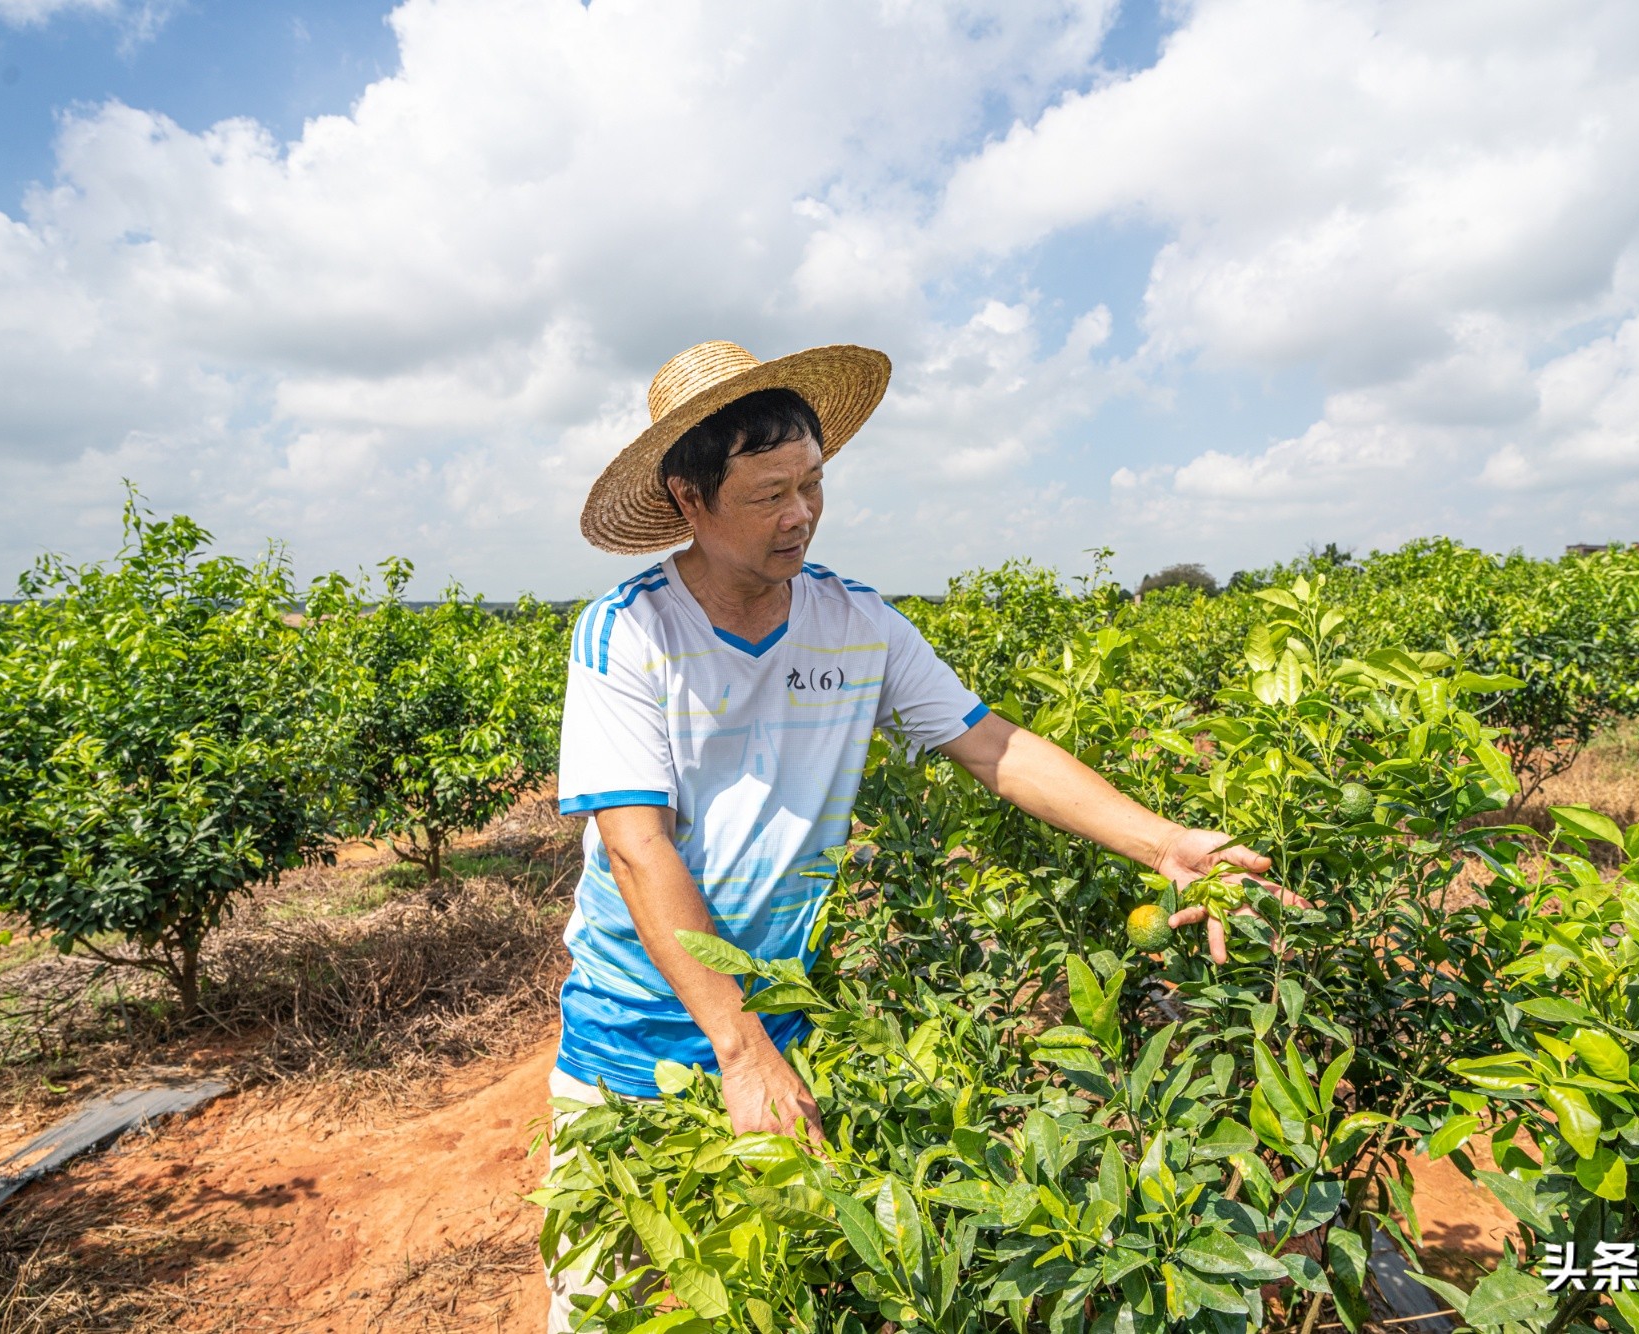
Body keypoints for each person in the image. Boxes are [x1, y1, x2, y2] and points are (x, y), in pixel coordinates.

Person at [545, 339, 1282, 1326]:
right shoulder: (629, 633)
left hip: (784, 1033)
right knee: (609, 1305)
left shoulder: (857, 623)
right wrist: (739, 1048)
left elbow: (993, 745)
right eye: (769, 494)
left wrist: (1162, 842)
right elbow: (639, 848)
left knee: (771, 1298)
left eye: (812, 484)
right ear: (689, 498)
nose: (800, 514)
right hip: (634, 1046)